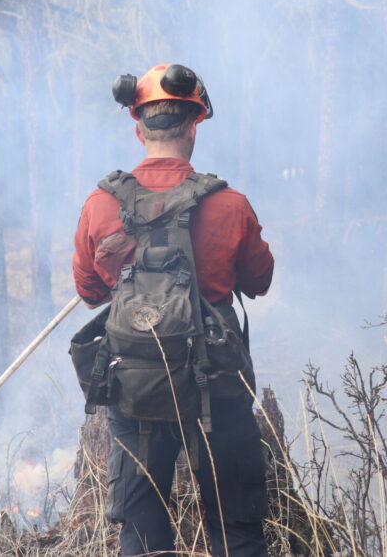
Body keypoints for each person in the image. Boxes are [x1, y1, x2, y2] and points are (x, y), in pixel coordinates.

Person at [72, 64, 274, 556]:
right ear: (193, 124)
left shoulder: (101, 205)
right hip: (218, 390)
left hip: (135, 390)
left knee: (140, 536)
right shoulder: (230, 205)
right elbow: (259, 281)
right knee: (238, 533)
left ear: (138, 126)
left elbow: (90, 292)